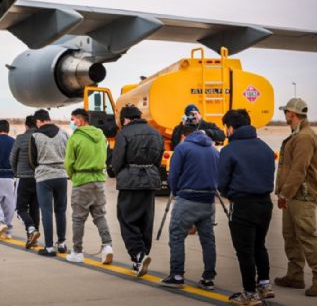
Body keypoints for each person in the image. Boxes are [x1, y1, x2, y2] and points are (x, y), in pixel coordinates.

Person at [218, 109, 276, 305]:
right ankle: (265, 285)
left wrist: (229, 194)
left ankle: (249, 293)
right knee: (260, 245)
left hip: (243, 205)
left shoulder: (229, 150)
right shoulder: (265, 147)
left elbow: (222, 181)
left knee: (245, 251)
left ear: (231, 128)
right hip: (265, 203)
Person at [274, 98, 317, 296]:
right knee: (291, 236)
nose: (285, 116)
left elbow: (299, 170)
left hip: (303, 195)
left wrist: (284, 194)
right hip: (293, 195)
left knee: (307, 236)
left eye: (286, 112)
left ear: (292, 113)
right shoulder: (297, 134)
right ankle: (295, 275)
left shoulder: (305, 137)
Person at [160, 122, 218, 289]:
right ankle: (208, 278)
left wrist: (177, 191)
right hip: (208, 200)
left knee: (177, 235)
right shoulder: (213, 150)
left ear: (184, 136)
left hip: (187, 198)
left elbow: (174, 175)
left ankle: (177, 275)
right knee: (208, 240)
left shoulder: (183, 148)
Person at [112, 105, 164, 276]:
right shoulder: (155, 132)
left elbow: (117, 161)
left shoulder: (124, 133)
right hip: (150, 179)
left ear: (125, 119)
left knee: (126, 219)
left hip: (130, 181)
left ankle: (138, 253)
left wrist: (120, 173)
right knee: (145, 220)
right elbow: (159, 158)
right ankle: (140, 258)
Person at [65, 108, 114, 265]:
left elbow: (68, 163)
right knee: (100, 215)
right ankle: (107, 246)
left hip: (82, 180)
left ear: (79, 120)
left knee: (78, 218)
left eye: (73, 119)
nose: (71, 123)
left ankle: (77, 252)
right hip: (99, 180)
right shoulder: (100, 135)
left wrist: (74, 176)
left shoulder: (75, 138)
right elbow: (105, 155)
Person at [29, 109, 70, 257]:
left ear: (38, 121)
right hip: (61, 175)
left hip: (44, 177)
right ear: (49, 118)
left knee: (46, 212)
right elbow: (69, 154)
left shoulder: (35, 136)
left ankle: (49, 247)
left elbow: (32, 160)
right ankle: (62, 243)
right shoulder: (64, 133)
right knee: (60, 210)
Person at [11, 115, 41, 249]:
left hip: (23, 177)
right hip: (39, 178)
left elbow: (12, 158)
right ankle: (33, 238)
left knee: (20, 208)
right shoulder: (41, 138)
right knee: (35, 208)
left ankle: (31, 229)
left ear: (26, 126)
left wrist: (15, 172)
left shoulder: (21, 138)